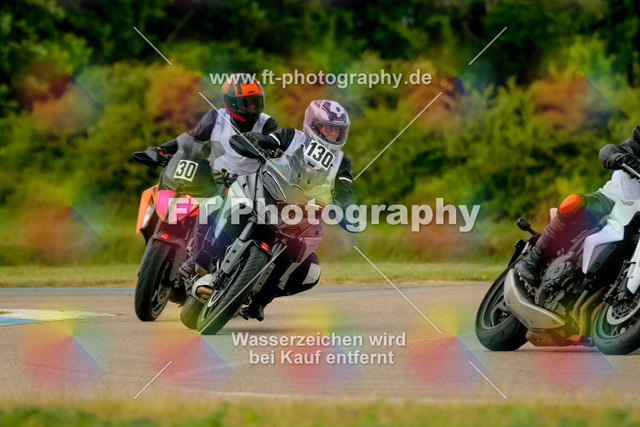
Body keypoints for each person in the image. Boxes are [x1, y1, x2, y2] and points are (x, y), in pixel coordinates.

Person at [195, 99, 361, 321]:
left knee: (310, 269)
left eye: (336, 130)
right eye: (326, 127)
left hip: (305, 215)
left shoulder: (341, 162)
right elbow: (265, 141)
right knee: (223, 204)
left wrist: (347, 210)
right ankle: (204, 259)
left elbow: (344, 190)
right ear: (313, 124)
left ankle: (260, 300)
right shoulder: (291, 136)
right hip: (272, 194)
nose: (331, 134)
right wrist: (254, 143)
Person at [144, 73, 279, 277]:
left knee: (212, 207)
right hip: (215, 178)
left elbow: (274, 153)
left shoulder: (268, 124)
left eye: (256, 102)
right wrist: (163, 149)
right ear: (231, 103)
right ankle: (187, 250)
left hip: (247, 186)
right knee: (200, 202)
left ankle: (198, 260)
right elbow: (192, 138)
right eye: (246, 103)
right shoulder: (215, 117)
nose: (252, 108)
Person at [516, 126, 640, 283]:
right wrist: (619, 157)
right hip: (611, 200)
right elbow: (607, 151)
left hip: (637, 219)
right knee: (574, 203)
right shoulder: (636, 144)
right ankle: (533, 259)